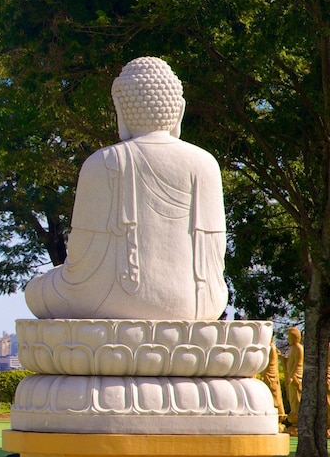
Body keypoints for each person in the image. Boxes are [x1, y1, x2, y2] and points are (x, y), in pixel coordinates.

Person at [25, 57, 228, 320]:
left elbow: (80, 262)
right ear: (179, 111)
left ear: (120, 108)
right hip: (198, 304)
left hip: (110, 300)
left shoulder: (102, 163)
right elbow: (214, 258)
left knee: (36, 289)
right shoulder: (205, 164)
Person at [285, 327, 303, 427]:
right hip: (291, 376)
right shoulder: (291, 348)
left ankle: (298, 416)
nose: (288, 339)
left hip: (296, 376)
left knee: (297, 397)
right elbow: (289, 362)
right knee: (292, 399)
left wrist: (292, 376)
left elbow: (297, 364)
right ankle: (294, 413)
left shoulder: (299, 348)